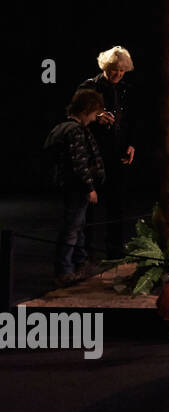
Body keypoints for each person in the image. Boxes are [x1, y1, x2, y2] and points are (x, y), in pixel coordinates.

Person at [78, 46, 136, 262]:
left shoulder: (126, 89)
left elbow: (131, 121)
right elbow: (74, 115)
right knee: (90, 205)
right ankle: (86, 253)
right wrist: (97, 115)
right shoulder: (90, 87)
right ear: (106, 67)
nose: (118, 75)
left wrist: (131, 144)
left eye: (122, 71)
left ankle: (115, 252)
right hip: (93, 154)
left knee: (117, 204)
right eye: (114, 70)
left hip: (117, 154)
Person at [43, 89, 106, 286]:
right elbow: (79, 164)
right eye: (94, 114)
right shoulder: (74, 130)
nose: (95, 119)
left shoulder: (64, 127)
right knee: (72, 228)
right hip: (76, 187)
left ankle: (79, 264)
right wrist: (90, 188)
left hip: (73, 186)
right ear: (86, 110)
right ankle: (64, 270)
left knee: (78, 227)